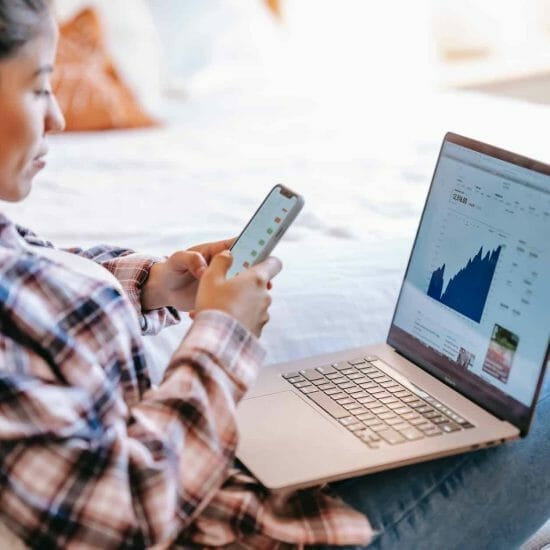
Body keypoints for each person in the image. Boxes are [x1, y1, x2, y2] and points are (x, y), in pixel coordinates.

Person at [0, 2, 548, 549]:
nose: (58, 118)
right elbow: (121, 520)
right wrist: (223, 332)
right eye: (38, 87)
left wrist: (151, 283)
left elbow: (45, 282)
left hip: (222, 484)